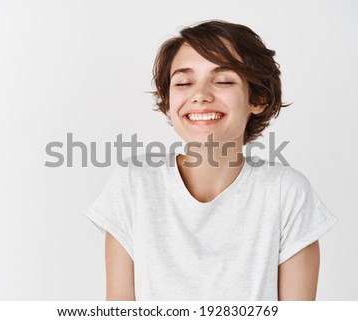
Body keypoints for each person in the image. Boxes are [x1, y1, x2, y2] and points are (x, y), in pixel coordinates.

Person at [84, 19, 338, 301]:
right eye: (183, 82)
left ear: (258, 98)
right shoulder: (134, 184)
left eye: (223, 81)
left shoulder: (286, 192)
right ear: (168, 103)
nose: (200, 95)